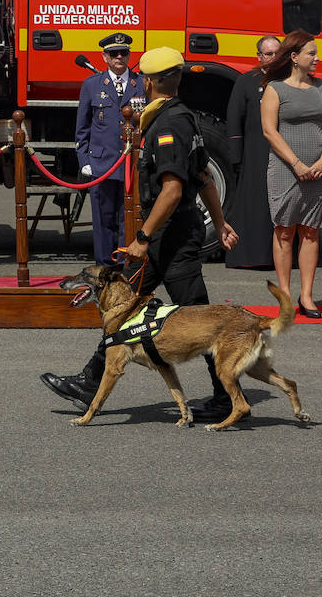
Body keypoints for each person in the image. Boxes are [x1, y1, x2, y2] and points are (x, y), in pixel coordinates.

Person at [40, 47, 240, 422]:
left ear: (148, 82)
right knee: (123, 308)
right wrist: (220, 220)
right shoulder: (184, 117)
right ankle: (89, 381)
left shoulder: (168, 125)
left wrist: (143, 237)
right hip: (170, 235)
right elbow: (204, 176)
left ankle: (225, 397)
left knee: (199, 316)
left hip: (172, 237)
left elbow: (173, 189)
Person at [260, 31, 322, 320]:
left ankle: (307, 295)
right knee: (284, 229)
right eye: (311, 54)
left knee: (310, 230)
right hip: (285, 169)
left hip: (317, 169)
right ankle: (286, 295)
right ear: (294, 57)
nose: (317, 58)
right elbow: (269, 131)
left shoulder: (321, 87)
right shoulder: (275, 89)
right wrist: (296, 163)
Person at [75, 32, 144, 265]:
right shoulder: (92, 85)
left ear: (129, 55)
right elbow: (82, 127)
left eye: (123, 53)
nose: (118, 57)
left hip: (131, 164)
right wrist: (84, 159)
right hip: (102, 163)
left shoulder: (142, 84)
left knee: (128, 218)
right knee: (103, 218)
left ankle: (126, 265)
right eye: (113, 53)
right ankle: (104, 266)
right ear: (104, 57)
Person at [225, 35, 281, 269]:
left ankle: (280, 256)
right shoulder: (247, 81)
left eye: (278, 53)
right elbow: (234, 119)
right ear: (259, 56)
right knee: (255, 205)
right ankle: (253, 256)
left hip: (284, 151)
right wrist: (235, 156)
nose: (274, 58)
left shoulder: (291, 81)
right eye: (268, 54)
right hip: (255, 151)